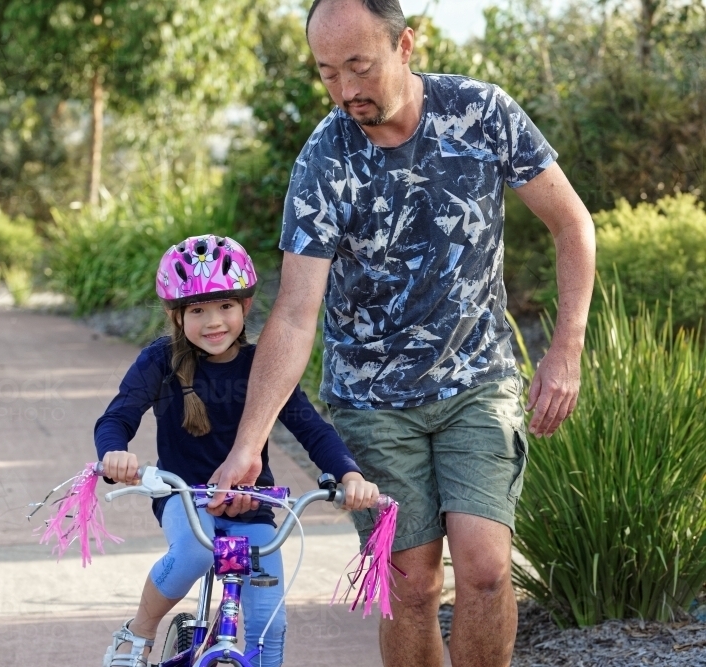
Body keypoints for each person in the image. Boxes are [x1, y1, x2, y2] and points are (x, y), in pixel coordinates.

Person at [205, 2, 597, 667]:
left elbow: (571, 224)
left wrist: (566, 347)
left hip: (479, 382)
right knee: (411, 581)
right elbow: (297, 312)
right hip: (373, 400)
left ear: (405, 44)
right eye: (327, 73)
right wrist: (249, 442)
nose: (346, 89)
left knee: (485, 568)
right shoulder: (323, 161)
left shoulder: (482, 113)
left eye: (359, 65)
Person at [96, 234, 381, 667]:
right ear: (176, 315)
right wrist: (115, 452)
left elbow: (312, 429)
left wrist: (349, 475)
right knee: (195, 549)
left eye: (226, 306)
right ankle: (140, 631)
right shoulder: (160, 361)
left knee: (271, 627)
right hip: (185, 498)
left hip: (253, 504)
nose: (214, 322)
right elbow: (116, 418)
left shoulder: (261, 365)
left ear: (245, 307)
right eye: (198, 310)